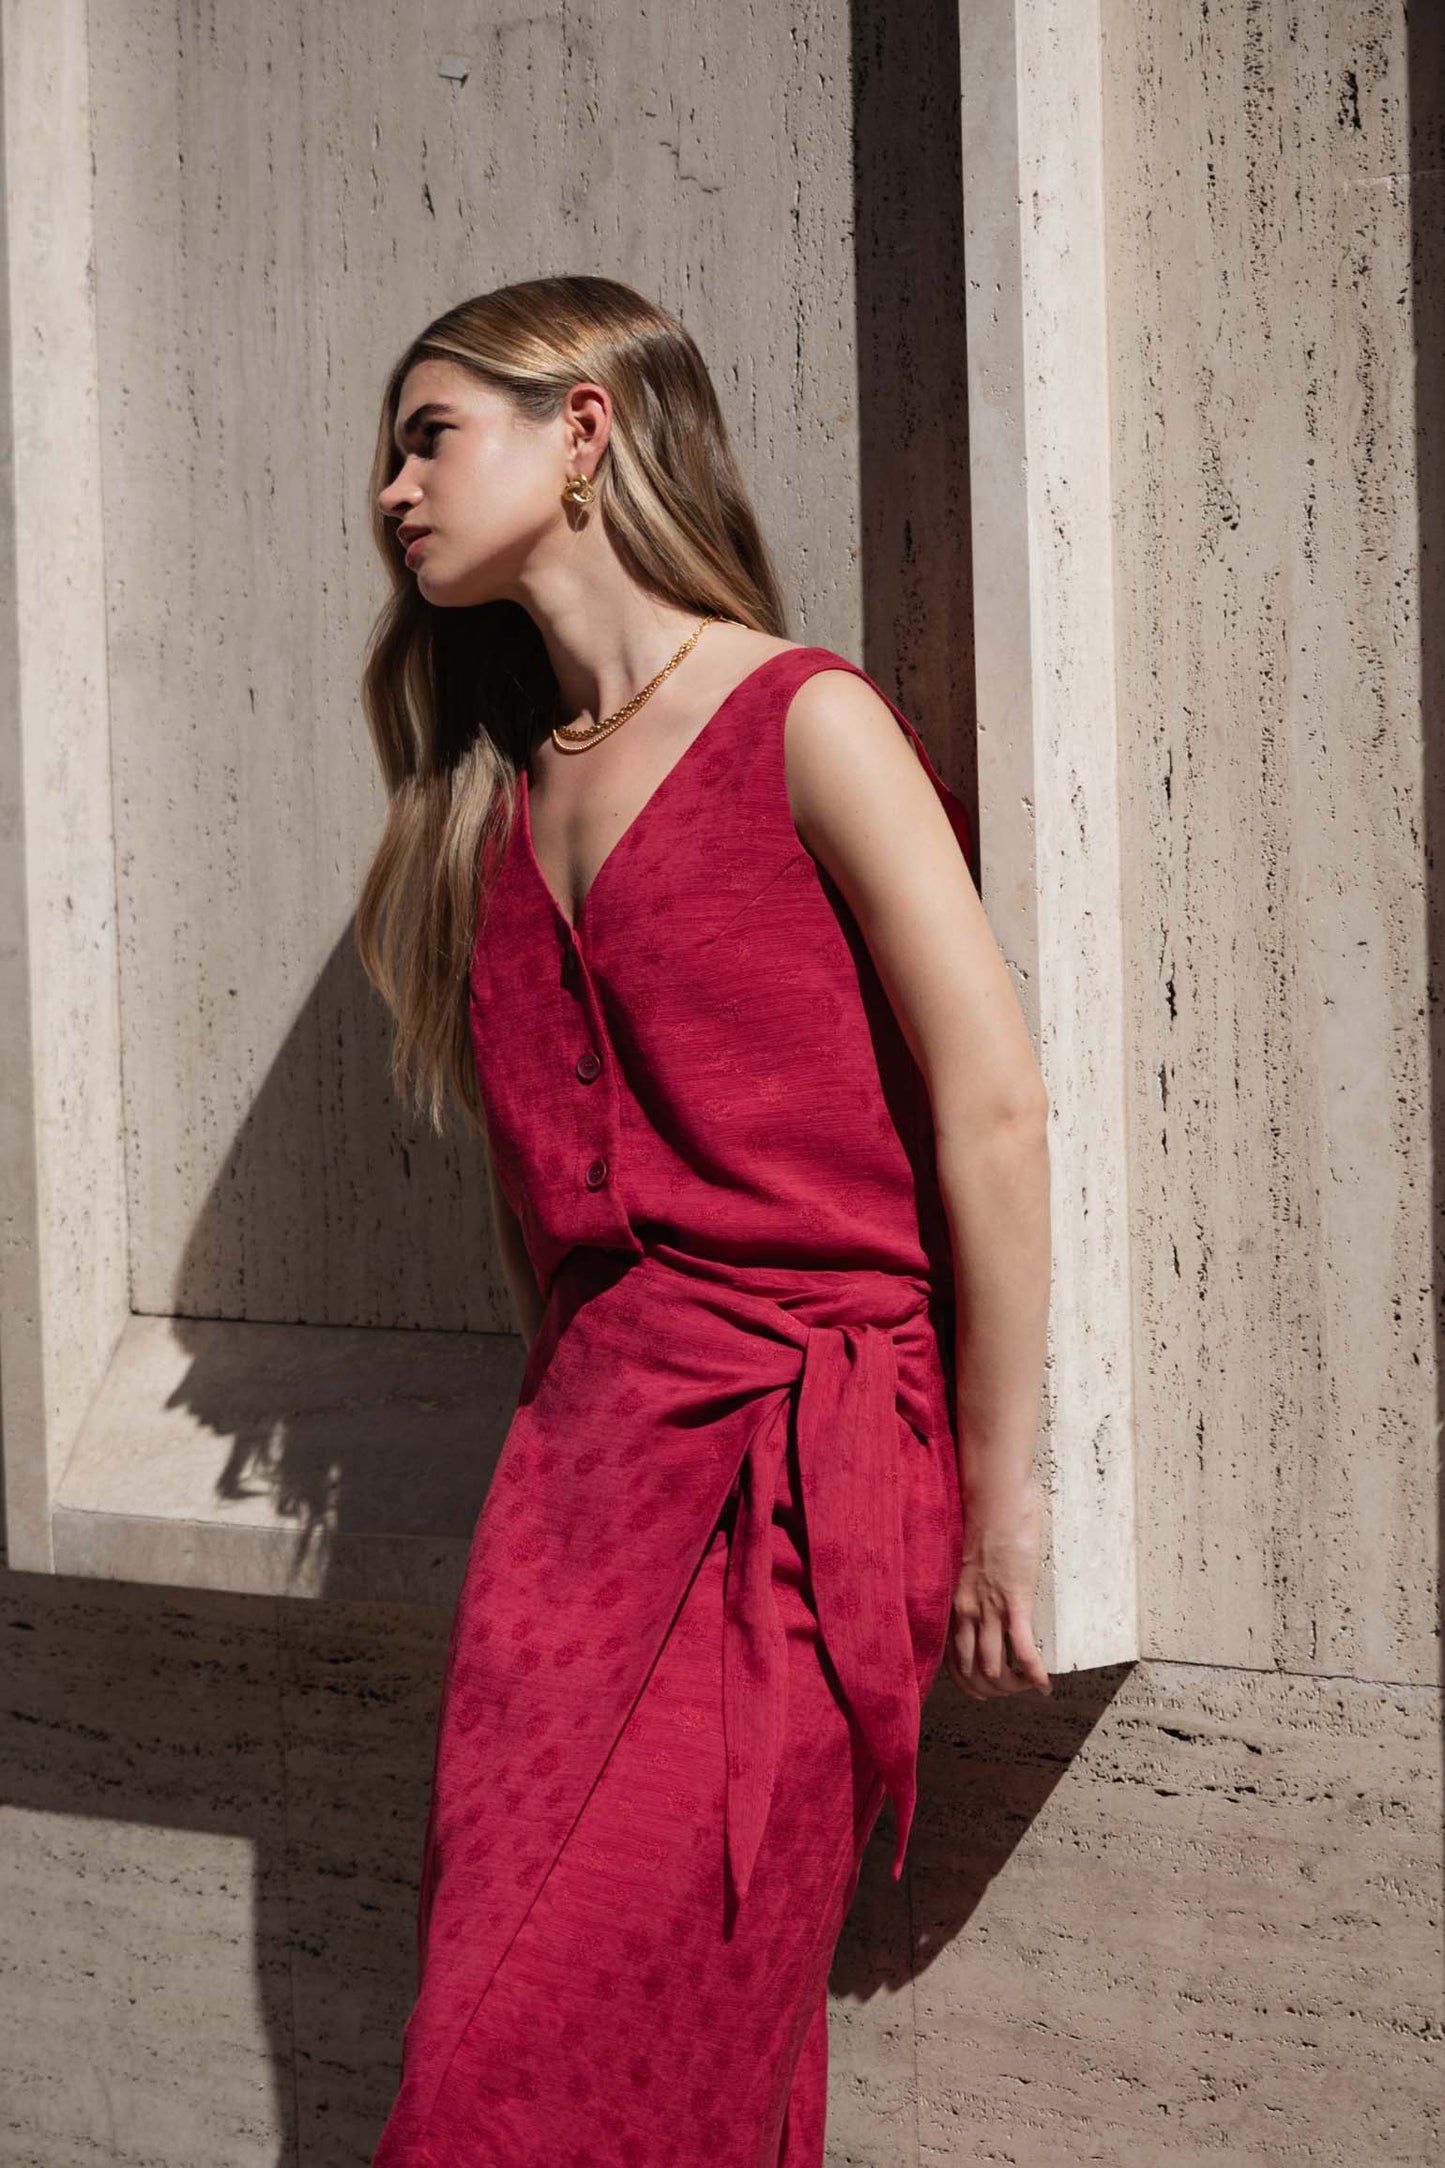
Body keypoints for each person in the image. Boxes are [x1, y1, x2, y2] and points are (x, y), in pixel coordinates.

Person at [356, 274, 1052, 2168]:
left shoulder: (803, 718)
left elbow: (990, 1109)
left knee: (543, 2073)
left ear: (583, 430)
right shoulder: (493, 809)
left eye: (431, 436)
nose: (395, 491)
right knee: (553, 2036)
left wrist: (994, 1504)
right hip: (569, 1507)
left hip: (797, 1477)